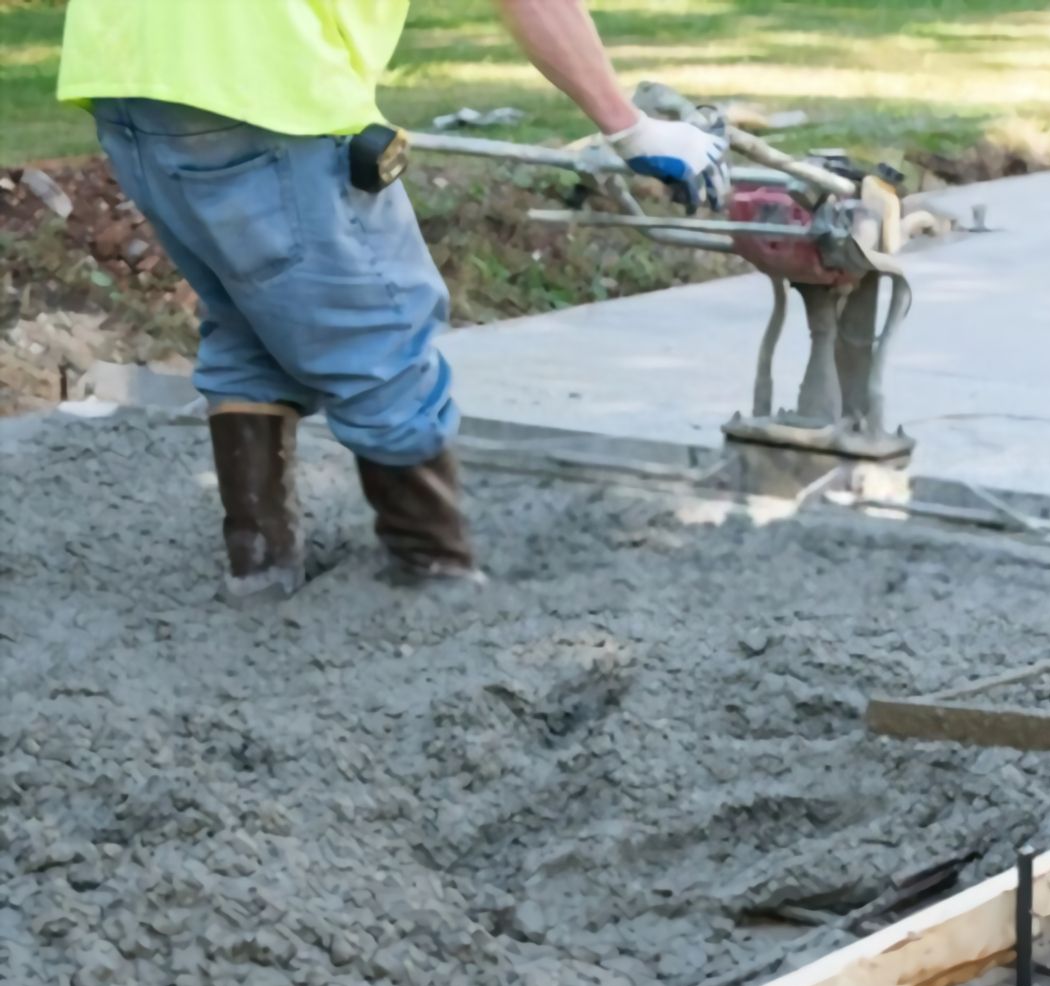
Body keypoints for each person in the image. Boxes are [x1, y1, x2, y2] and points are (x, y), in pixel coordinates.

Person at [56, 0, 729, 596]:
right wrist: (631, 127)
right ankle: (433, 576)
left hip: (129, 78)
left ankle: (259, 569)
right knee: (382, 325)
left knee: (247, 323)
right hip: (262, 82)